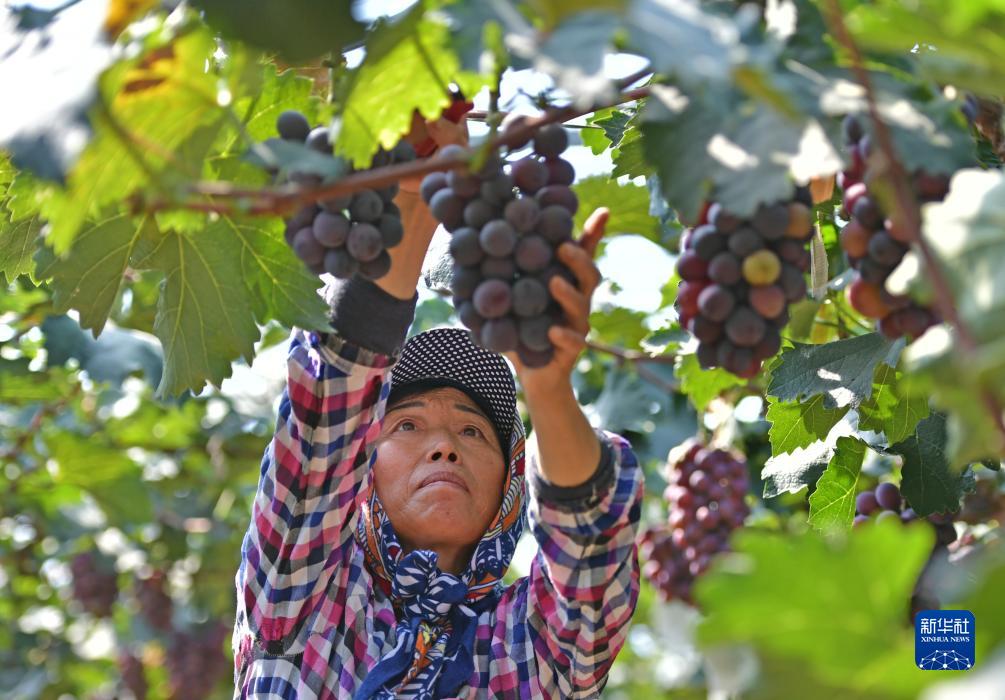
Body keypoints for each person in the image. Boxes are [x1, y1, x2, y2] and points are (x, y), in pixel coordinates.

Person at [232, 115, 644, 699]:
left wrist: (548, 385)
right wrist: (412, 191)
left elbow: (593, 551)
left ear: (509, 487)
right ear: (363, 468)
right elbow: (327, 414)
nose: (445, 445)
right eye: (407, 424)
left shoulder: (526, 651)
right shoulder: (299, 594)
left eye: (473, 432)